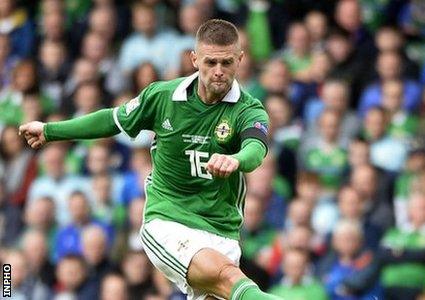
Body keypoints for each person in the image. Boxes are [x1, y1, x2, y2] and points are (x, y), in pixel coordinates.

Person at [20, 19, 280, 300]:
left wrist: (237, 160)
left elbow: (255, 149)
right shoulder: (162, 97)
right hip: (168, 220)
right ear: (194, 59)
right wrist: (49, 130)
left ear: (240, 59)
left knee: (228, 285)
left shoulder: (249, 109)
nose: (218, 72)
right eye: (210, 62)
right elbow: (111, 120)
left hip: (222, 231)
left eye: (227, 63)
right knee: (232, 279)